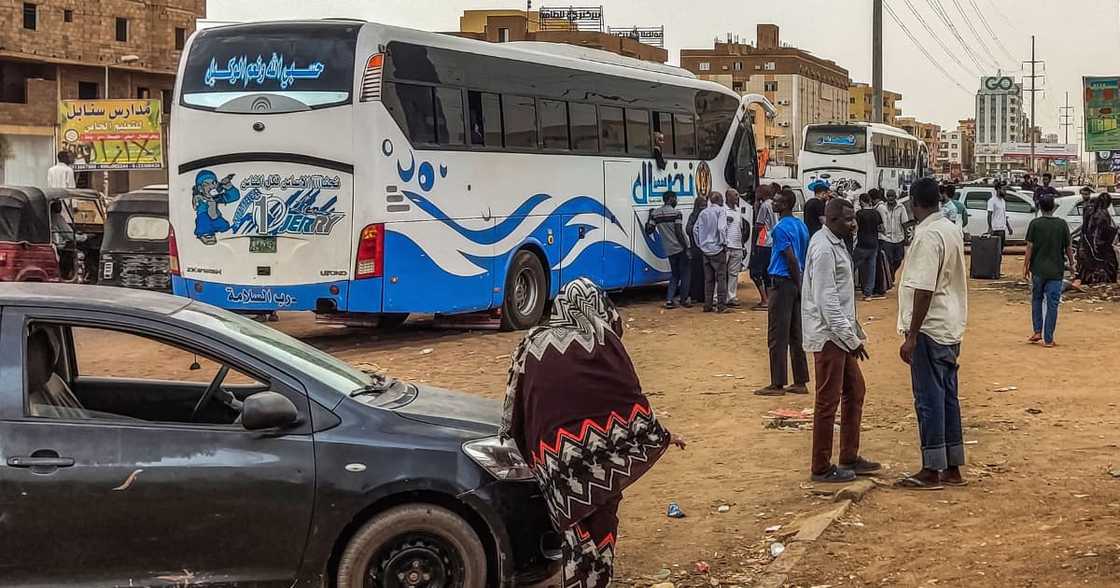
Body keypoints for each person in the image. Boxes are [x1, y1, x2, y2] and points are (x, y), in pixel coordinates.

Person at [500, 278, 686, 588]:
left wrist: (528, 446)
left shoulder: (532, 343)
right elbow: (629, 399)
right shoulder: (603, 342)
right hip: (598, 459)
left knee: (573, 531)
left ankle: (576, 579)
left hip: (552, 459)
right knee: (600, 524)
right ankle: (598, 580)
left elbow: (515, 402)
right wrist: (661, 434)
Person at [896, 177, 968, 491]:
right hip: (951, 324)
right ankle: (952, 466)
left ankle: (931, 469)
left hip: (930, 326)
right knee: (947, 396)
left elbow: (923, 289)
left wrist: (912, 334)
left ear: (915, 203)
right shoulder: (951, 228)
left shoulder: (927, 236)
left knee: (929, 399)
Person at [802, 198, 880, 483]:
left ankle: (849, 456)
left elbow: (842, 299)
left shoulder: (835, 243)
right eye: (848, 219)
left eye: (853, 218)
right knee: (827, 401)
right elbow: (828, 301)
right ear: (831, 219)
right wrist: (851, 339)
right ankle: (820, 466)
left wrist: (853, 334)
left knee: (855, 390)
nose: (853, 223)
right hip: (829, 337)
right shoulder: (824, 249)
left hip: (841, 335)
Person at [754, 189, 811, 396]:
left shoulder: (780, 229)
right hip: (796, 282)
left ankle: (777, 383)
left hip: (783, 282)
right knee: (796, 334)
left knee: (777, 335)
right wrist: (801, 285)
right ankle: (800, 380)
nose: (773, 203)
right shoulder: (801, 226)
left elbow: (790, 258)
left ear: (785, 204)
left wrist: (796, 282)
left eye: (777, 201)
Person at [1024, 194, 1074, 347]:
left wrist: (1025, 267)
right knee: (1052, 304)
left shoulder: (1035, 224)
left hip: (1038, 270)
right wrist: (1072, 265)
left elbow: (1029, 248)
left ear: (1040, 207)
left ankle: (1037, 331)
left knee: (1037, 299)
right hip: (1056, 271)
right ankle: (1048, 338)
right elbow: (1068, 248)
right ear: (1053, 207)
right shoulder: (1062, 224)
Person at [647, 191, 690, 308]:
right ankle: (684, 299)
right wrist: (686, 247)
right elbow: (679, 232)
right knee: (685, 273)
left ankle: (669, 300)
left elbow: (649, 230)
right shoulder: (677, 213)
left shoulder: (655, 214)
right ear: (671, 199)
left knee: (674, 274)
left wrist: (649, 216)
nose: (676, 201)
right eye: (675, 199)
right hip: (680, 248)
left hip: (669, 249)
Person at [693, 191, 729, 312]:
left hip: (705, 250)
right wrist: (723, 243)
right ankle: (721, 306)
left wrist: (700, 244)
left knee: (709, 280)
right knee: (721, 278)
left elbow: (695, 229)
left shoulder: (703, 212)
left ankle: (707, 305)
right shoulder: (721, 211)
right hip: (717, 249)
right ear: (719, 200)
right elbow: (721, 228)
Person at [1076, 192, 1119, 285]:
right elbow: (1098, 232)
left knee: (1088, 267)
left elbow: (1084, 228)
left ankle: (1089, 281)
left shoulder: (1089, 211)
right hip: (1099, 245)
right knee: (1108, 264)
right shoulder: (1102, 214)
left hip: (1087, 244)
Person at [749, 184, 778, 310]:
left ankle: (765, 300)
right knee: (768, 271)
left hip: (763, 241)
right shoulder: (774, 204)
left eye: (757, 192)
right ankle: (770, 299)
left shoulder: (764, 205)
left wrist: (753, 244)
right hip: (772, 241)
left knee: (755, 271)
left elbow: (759, 225)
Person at [853, 193, 885, 301]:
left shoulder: (859, 214)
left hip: (862, 244)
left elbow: (855, 228)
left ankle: (847, 288)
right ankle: (868, 294)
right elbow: (881, 228)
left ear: (862, 201)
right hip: (874, 244)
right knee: (871, 269)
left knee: (851, 266)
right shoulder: (876, 213)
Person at [724, 188, 750, 307]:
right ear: (728, 197)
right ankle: (717, 297)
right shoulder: (723, 210)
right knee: (721, 273)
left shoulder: (738, 211)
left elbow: (740, 229)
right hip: (726, 246)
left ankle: (731, 297)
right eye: (735, 195)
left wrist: (742, 246)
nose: (737, 198)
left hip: (737, 246)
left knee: (733, 274)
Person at [879, 189, 909, 284]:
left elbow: (905, 223)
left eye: (892, 196)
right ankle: (890, 278)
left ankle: (892, 274)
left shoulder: (901, 207)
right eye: (888, 196)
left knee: (898, 260)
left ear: (895, 197)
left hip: (899, 238)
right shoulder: (882, 207)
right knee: (888, 260)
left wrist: (906, 238)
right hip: (886, 238)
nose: (890, 198)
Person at [685, 195, 708, 305]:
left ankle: (703, 296)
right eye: (702, 205)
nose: (704, 207)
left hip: (705, 248)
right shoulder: (693, 216)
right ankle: (695, 295)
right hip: (697, 249)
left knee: (705, 274)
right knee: (696, 273)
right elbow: (688, 229)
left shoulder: (707, 215)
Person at [987, 182, 1013, 255]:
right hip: (995, 230)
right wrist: (990, 227)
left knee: (1000, 252)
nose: (1005, 191)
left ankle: (998, 265)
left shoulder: (1003, 201)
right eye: (1004, 189)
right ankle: (994, 266)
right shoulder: (992, 201)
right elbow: (989, 215)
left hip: (1002, 229)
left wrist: (1009, 227)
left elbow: (1004, 215)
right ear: (998, 189)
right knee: (994, 252)